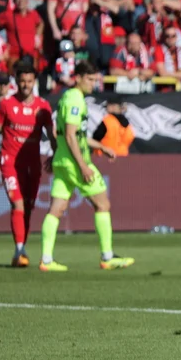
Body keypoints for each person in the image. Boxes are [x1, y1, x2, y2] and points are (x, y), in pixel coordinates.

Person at [39, 61, 134, 272]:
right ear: (78, 78)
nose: (93, 84)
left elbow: (68, 134)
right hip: (75, 163)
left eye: (95, 80)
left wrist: (100, 146)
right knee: (103, 204)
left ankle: (46, 259)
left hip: (63, 161)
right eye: (90, 80)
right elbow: (72, 135)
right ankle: (107, 256)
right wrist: (83, 166)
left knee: (56, 209)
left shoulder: (67, 97)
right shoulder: (74, 99)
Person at [0, 60, 53, 267]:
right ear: (17, 82)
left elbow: (52, 135)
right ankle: (20, 248)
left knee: (28, 207)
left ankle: (20, 251)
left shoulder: (43, 107)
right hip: (10, 162)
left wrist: (54, 154)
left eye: (29, 81)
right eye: (22, 81)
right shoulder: (6, 104)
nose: (25, 84)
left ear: (34, 81)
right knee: (17, 203)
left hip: (32, 164)